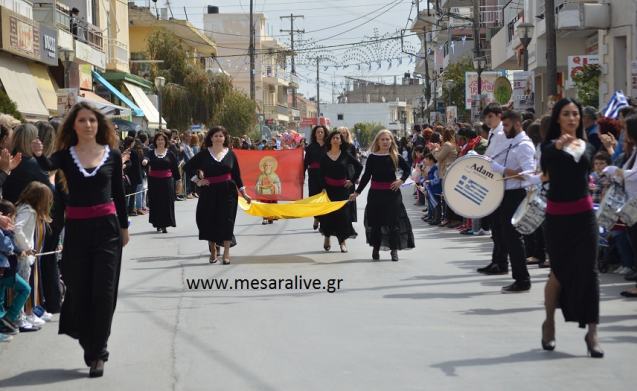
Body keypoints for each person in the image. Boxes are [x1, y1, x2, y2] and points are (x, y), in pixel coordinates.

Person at [31, 101, 130, 377]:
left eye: (92, 120)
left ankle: (99, 351)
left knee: (104, 290)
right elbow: (47, 164)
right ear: (73, 125)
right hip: (77, 230)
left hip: (108, 231)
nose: (88, 124)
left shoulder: (112, 155)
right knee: (81, 289)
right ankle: (90, 341)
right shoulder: (65, 155)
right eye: (82, 120)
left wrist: (124, 227)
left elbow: (120, 195)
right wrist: (38, 154)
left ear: (99, 124)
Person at [540, 98, 603, 358]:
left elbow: (588, 161)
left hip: (585, 217)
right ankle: (549, 322)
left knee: (590, 272)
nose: (571, 118)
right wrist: (557, 146)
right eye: (566, 114)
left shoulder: (586, 147)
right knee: (558, 272)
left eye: (575, 114)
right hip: (558, 220)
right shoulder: (548, 147)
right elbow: (547, 161)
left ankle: (592, 333)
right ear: (558, 118)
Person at [184, 126, 251, 265]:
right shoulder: (203, 154)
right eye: (216, 136)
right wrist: (198, 181)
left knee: (227, 221)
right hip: (209, 191)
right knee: (209, 220)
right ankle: (213, 249)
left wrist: (244, 193)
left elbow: (237, 175)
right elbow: (187, 167)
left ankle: (226, 252)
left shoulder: (231, 154)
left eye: (221, 136)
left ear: (225, 138)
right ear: (211, 138)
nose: (219, 138)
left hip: (228, 192)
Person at [487, 110, 536, 293]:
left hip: (516, 194)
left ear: (517, 124)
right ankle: (519, 277)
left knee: (514, 239)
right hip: (507, 194)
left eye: (506, 125)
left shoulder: (523, 145)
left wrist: (502, 169)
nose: (504, 129)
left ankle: (522, 279)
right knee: (508, 237)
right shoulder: (513, 142)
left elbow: (529, 176)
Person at [350, 129, 415, 261]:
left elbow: (407, 169)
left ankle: (394, 250)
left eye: (387, 139)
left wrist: (401, 180)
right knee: (376, 223)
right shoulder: (372, 157)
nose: (385, 142)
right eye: (382, 139)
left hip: (392, 195)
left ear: (391, 141)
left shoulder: (396, 156)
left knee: (393, 223)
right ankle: (376, 248)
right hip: (375, 194)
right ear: (378, 142)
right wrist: (357, 192)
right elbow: (366, 176)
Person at [608, 114, 637, 298]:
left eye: (626, 129)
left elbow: (634, 174)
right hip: (631, 205)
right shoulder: (633, 150)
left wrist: (617, 171)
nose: (623, 133)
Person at [319, 130, 362, 253]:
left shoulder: (345, 155)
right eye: (334, 138)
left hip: (343, 190)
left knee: (343, 216)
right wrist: (322, 188)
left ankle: (342, 242)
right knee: (328, 215)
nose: (336, 140)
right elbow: (320, 174)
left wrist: (352, 180)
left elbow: (359, 166)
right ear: (330, 140)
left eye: (338, 138)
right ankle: (327, 237)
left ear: (341, 141)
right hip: (328, 190)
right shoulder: (324, 156)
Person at [0, 199, 32, 340]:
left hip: (5, 268)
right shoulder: (4, 231)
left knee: (1, 298)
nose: (13, 220)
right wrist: (15, 248)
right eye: (12, 216)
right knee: (25, 288)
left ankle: (5, 321)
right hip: (5, 269)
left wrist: (20, 251)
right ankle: (8, 318)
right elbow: (6, 246)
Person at [143, 132, 180, 233]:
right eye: (158, 139)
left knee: (166, 202)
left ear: (165, 141)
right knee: (156, 202)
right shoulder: (151, 152)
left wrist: (178, 180)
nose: (160, 141)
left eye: (162, 140)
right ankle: (158, 224)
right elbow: (146, 159)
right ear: (155, 141)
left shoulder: (170, 153)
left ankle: (165, 224)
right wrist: (145, 161)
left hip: (167, 182)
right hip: (154, 181)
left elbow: (175, 168)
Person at [304, 125, 326, 230]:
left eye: (322, 132)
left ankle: (322, 220)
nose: (320, 134)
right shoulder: (310, 147)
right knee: (314, 198)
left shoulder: (329, 146)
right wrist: (302, 175)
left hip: (326, 175)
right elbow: (305, 163)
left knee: (324, 198)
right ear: (315, 134)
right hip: (313, 175)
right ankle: (316, 217)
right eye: (318, 132)